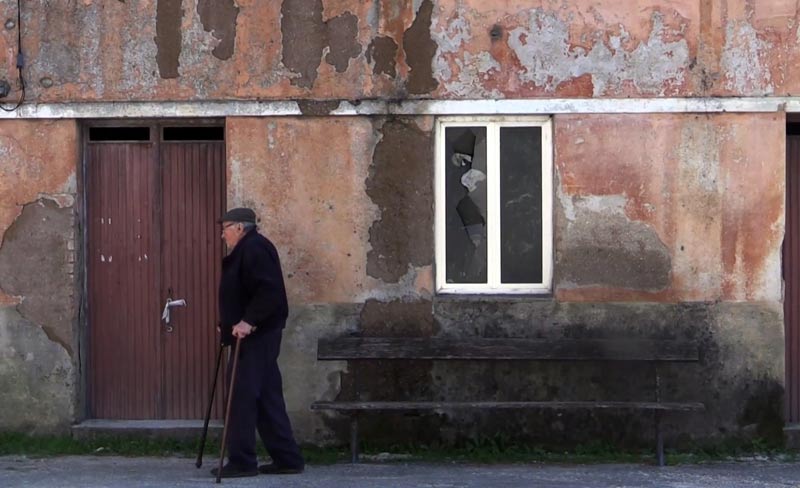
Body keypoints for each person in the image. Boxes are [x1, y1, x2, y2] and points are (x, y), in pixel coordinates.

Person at [212, 207, 305, 478]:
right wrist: (230, 322)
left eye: (225, 227)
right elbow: (246, 292)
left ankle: (242, 462)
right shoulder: (250, 249)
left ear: (240, 227)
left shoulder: (254, 249)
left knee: (240, 397)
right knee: (267, 398)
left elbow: (269, 292)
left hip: (256, 337)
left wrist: (248, 322)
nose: (222, 234)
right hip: (255, 335)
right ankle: (287, 458)